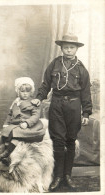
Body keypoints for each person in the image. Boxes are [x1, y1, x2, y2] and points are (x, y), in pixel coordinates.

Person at [32, 33, 92, 191]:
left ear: (76, 49)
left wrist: (86, 113)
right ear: (62, 48)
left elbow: (86, 92)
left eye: (72, 47)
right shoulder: (55, 64)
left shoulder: (81, 68)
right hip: (57, 104)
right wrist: (39, 97)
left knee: (70, 140)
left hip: (74, 105)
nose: (69, 50)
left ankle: (68, 176)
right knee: (57, 140)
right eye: (66, 47)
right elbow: (45, 83)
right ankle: (58, 176)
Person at [0, 77, 45, 165]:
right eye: (23, 91)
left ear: (31, 92)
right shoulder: (15, 102)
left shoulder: (34, 103)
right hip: (16, 124)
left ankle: (7, 154)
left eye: (27, 91)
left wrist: (27, 123)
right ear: (18, 91)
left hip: (30, 126)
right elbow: (10, 115)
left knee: (16, 135)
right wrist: (6, 124)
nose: (25, 94)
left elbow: (35, 116)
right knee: (7, 133)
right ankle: (7, 156)